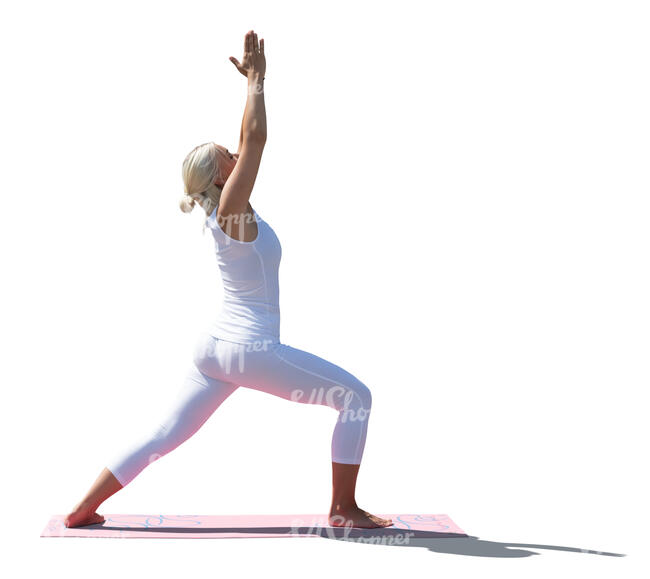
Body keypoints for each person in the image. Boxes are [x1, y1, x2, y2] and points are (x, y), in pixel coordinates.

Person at [64, 30, 392, 530]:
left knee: (163, 432)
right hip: (249, 349)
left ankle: (81, 509)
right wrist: (257, 82)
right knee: (356, 398)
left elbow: (246, 146)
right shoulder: (232, 214)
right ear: (219, 179)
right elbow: (254, 140)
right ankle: (343, 509)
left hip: (214, 348)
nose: (236, 157)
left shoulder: (228, 216)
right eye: (226, 156)